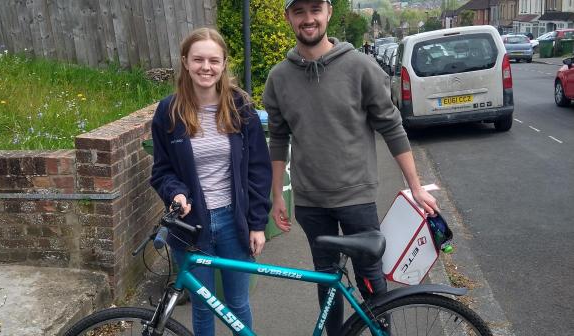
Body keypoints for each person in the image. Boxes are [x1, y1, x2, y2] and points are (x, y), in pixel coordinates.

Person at [262, 1, 439, 335]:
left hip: (357, 197)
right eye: (299, 11)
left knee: (371, 279)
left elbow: (392, 126)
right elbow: (278, 139)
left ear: (329, 12)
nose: (308, 18)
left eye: (315, 9)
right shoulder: (278, 78)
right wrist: (277, 196)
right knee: (326, 283)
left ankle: (380, 332)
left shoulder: (360, 67)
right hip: (311, 203)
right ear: (288, 17)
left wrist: (415, 186)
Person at [150, 27, 272, 336]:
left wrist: (258, 224)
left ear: (224, 63)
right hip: (192, 225)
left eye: (214, 60)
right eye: (199, 59)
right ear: (185, 62)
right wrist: (175, 193)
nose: (206, 67)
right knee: (203, 305)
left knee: (237, 302)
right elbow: (162, 170)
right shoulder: (168, 112)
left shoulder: (241, 108)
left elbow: (258, 170)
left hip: (235, 221)